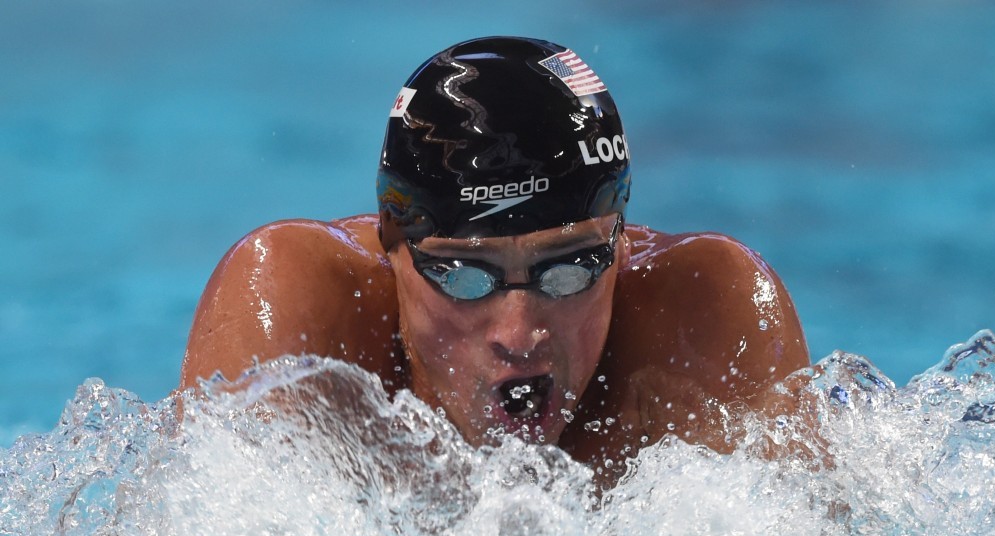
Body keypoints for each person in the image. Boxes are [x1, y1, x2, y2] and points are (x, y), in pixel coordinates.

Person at [179, 36, 810, 490]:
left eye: (568, 272)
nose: (518, 334)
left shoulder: (708, 314)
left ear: (618, 242)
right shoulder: (295, 304)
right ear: (392, 243)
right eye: (464, 277)